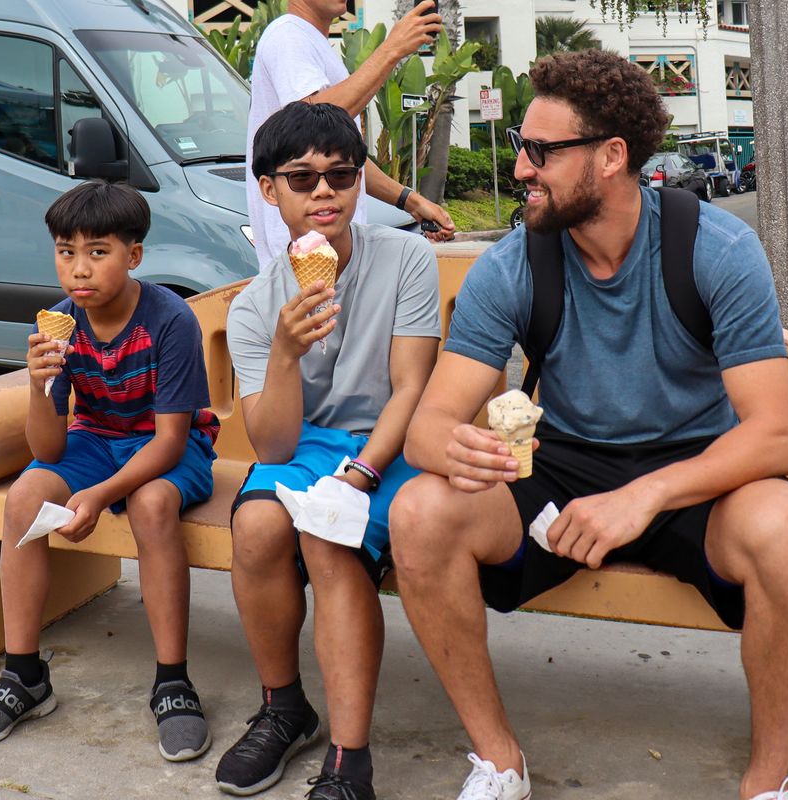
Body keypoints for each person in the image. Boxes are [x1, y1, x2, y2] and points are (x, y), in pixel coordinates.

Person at [389, 49, 788, 800]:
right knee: (419, 511)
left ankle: (763, 786)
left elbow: (774, 436)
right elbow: (425, 427)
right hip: (566, 471)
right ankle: (500, 763)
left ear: (612, 157)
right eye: (521, 148)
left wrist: (646, 496)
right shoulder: (516, 263)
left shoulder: (715, 250)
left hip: (699, 473)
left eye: (541, 151)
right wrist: (454, 446)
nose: (522, 168)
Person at [0, 181, 219, 764]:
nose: (79, 269)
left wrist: (98, 496)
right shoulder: (60, 325)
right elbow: (48, 449)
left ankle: (173, 682)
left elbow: (172, 440)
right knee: (25, 495)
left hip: (168, 444)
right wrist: (38, 382)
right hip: (95, 440)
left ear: (134, 255)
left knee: (150, 505)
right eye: (65, 252)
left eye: (98, 252)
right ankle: (24, 677)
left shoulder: (168, 319)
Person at [217, 101, 440, 798]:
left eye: (341, 176)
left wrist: (363, 472)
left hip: (393, 442)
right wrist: (284, 354)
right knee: (254, 526)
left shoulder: (405, 258)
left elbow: (411, 387)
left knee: (327, 536)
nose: (324, 192)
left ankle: (349, 762)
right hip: (310, 443)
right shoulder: (256, 307)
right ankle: (285, 708)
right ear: (268, 189)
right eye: (302, 177)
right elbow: (274, 442)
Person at [246, 0, 455, 266]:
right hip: (305, 254)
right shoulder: (287, 34)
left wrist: (409, 201)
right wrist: (392, 49)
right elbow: (314, 126)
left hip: (328, 253)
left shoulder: (309, 40)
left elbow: (339, 159)